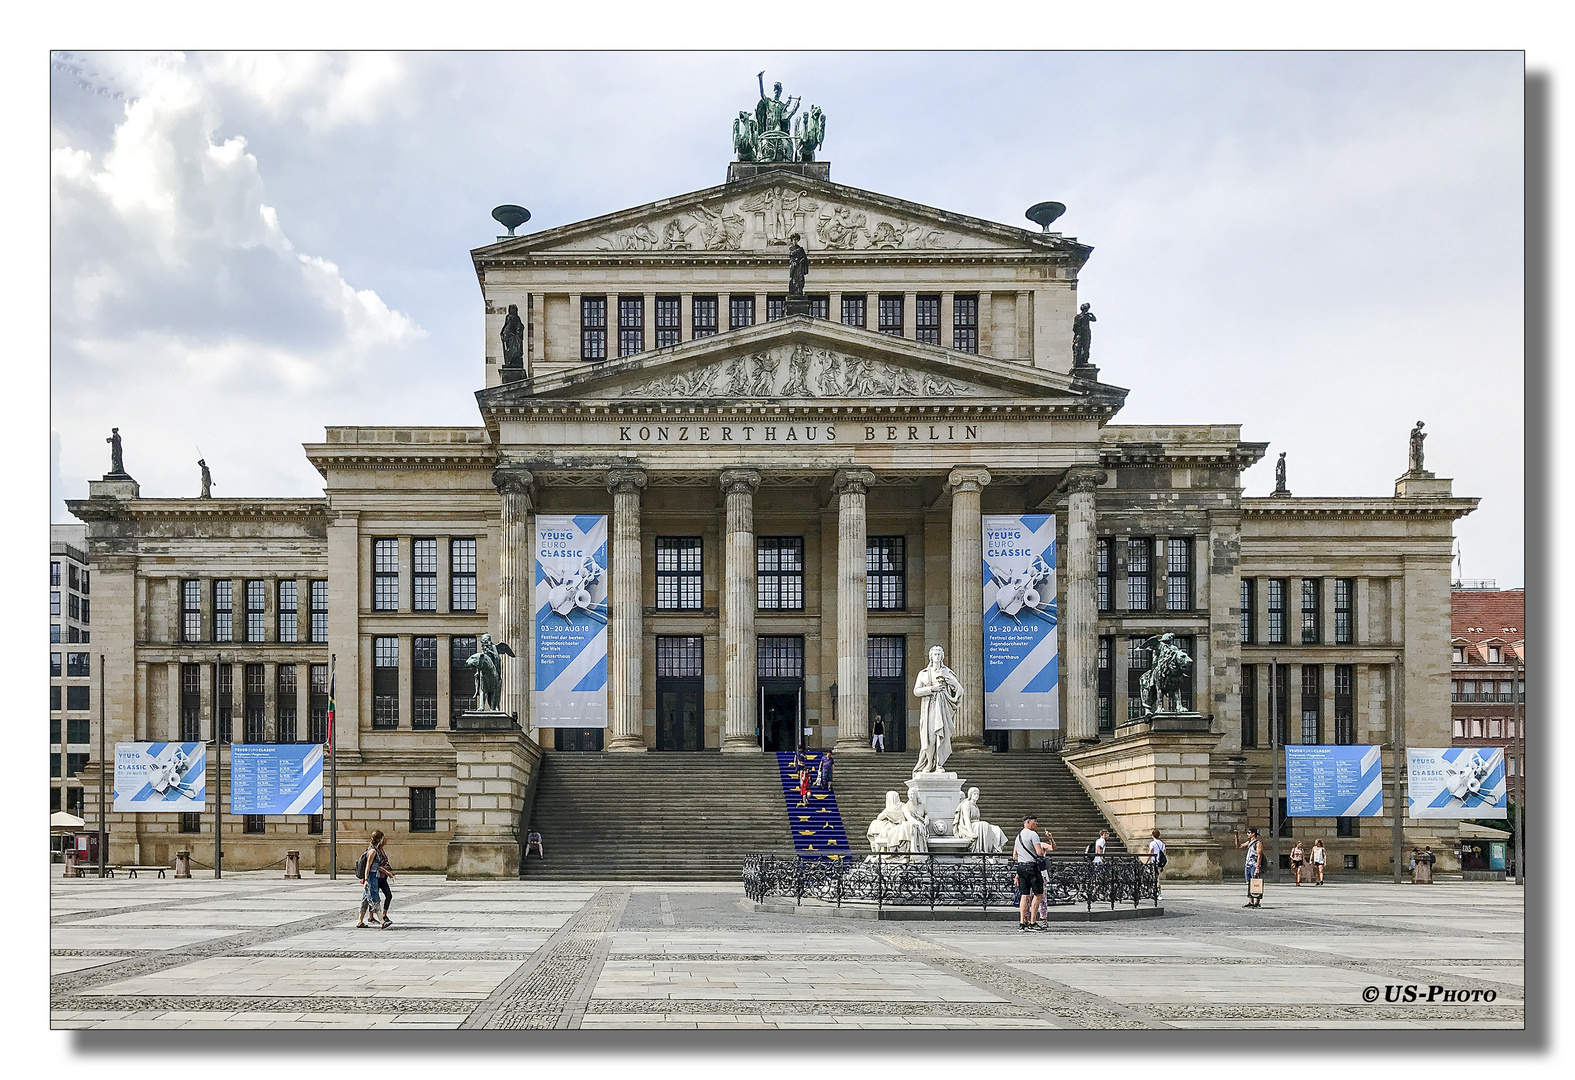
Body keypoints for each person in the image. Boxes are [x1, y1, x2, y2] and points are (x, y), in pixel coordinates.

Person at [1013, 815, 1051, 931]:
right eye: (1035, 822)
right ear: (1028, 822)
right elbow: (1039, 853)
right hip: (1032, 867)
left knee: (1024, 895)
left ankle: (1022, 922)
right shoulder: (1033, 835)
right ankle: (1033, 922)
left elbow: (1014, 856)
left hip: (1021, 866)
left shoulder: (1018, 836)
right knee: (1038, 894)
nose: (1036, 824)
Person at [356, 829, 388, 928]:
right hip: (371, 877)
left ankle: (359, 922)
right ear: (380, 839)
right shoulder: (373, 851)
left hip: (374, 875)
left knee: (365, 900)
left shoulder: (375, 849)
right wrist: (366, 880)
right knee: (375, 898)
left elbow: (376, 866)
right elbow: (368, 866)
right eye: (383, 838)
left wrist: (387, 872)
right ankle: (382, 921)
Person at [1233, 827, 1263, 908]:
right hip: (1248, 865)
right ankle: (1250, 901)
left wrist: (1257, 868)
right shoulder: (1249, 842)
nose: (1247, 834)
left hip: (1254, 865)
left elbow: (1259, 856)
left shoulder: (1258, 843)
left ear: (1253, 833)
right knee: (1249, 883)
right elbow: (1239, 846)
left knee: (1256, 883)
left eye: (1249, 833)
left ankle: (1257, 902)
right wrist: (1236, 837)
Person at [1148, 829, 1167, 901]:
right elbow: (1164, 852)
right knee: (1157, 878)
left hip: (1153, 862)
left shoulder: (1152, 843)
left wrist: (1147, 860)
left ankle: (1157, 892)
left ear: (1153, 835)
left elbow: (1150, 852)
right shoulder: (1162, 843)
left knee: (1154, 878)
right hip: (1159, 863)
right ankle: (1157, 892)